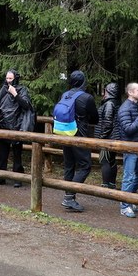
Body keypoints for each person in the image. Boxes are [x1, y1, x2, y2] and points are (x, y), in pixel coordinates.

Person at [58, 71, 99, 212]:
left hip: (65, 133)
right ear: (83, 82)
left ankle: (68, 196)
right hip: (79, 134)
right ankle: (69, 197)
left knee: (69, 165)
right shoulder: (86, 97)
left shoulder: (65, 95)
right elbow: (95, 119)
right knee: (85, 165)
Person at [0, 69, 33, 187]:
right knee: (1, 153)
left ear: (16, 78)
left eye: (10, 78)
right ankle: (0, 176)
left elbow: (26, 105)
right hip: (3, 125)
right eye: (7, 78)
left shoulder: (22, 90)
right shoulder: (3, 90)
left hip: (16, 125)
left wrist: (15, 94)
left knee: (17, 153)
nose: (8, 80)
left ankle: (17, 178)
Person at [115, 82, 138, 218]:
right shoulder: (124, 108)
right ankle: (124, 206)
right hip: (129, 146)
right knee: (128, 177)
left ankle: (129, 198)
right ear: (130, 92)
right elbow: (128, 129)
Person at [96, 82, 120, 189]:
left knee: (104, 159)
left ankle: (106, 184)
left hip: (108, 137)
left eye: (105, 90)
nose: (103, 92)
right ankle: (111, 183)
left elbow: (107, 122)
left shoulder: (109, 104)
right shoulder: (115, 102)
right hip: (113, 137)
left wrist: (102, 137)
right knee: (111, 160)